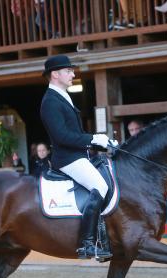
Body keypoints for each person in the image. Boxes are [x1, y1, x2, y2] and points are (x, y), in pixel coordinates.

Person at [40, 54, 116, 260]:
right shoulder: (50, 101)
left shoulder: (63, 96)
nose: (73, 74)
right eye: (69, 71)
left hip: (79, 155)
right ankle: (87, 243)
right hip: (67, 159)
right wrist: (92, 139)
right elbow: (61, 136)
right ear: (55, 74)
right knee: (100, 186)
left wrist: (101, 143)